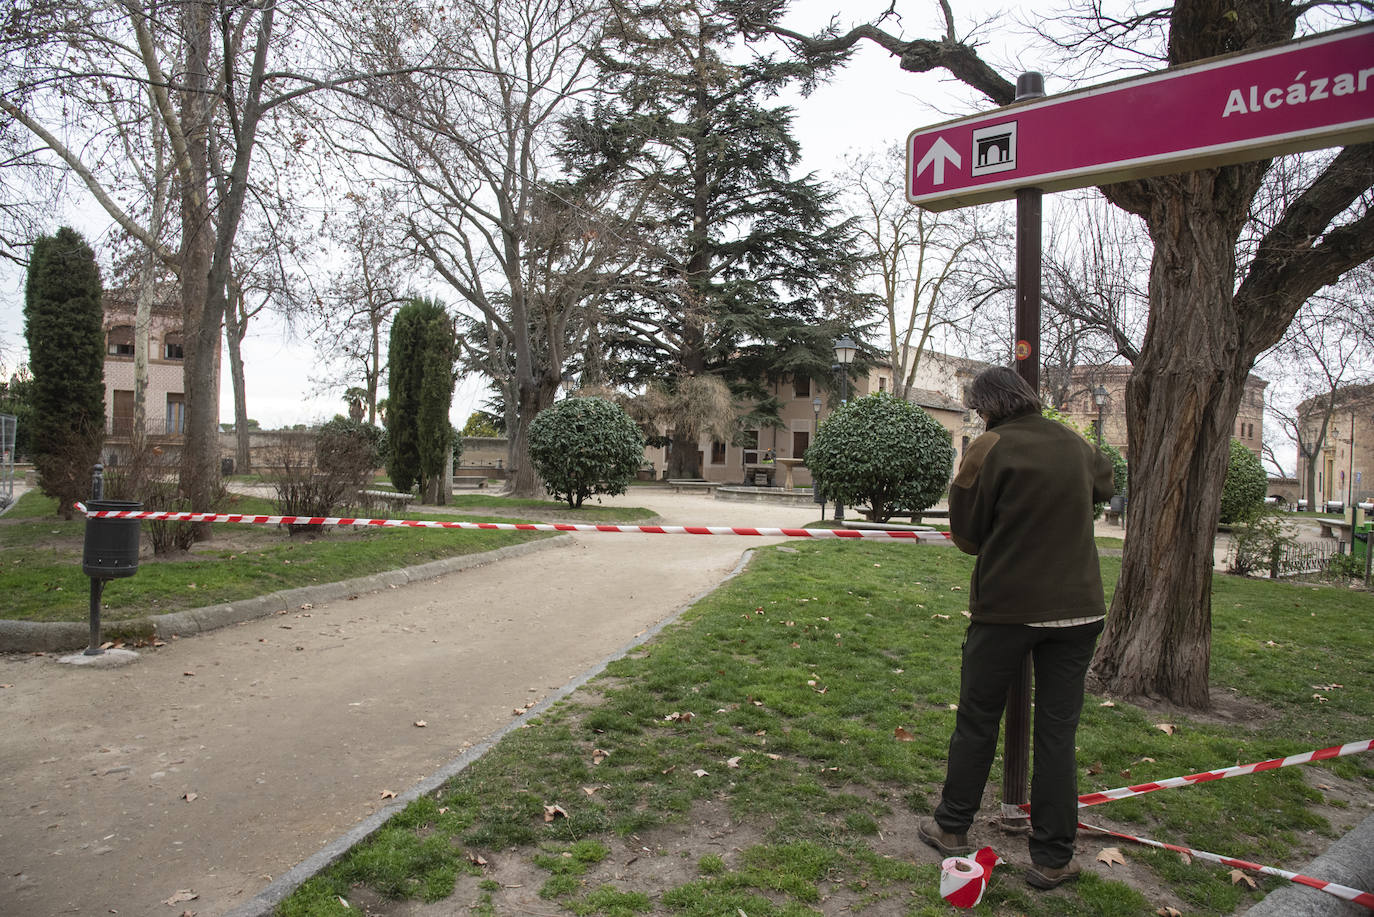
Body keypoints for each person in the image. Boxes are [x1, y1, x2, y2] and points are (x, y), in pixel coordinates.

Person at [918, 366, 1114, 890]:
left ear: (987, 406)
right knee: (1056, 734)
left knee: (979, 717)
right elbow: (1106, 482)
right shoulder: (1076, 443)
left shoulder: (987, 447)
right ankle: (1052, 857)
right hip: (1079, 611)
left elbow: (965, 533)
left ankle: (952, 825)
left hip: (1007, 609)